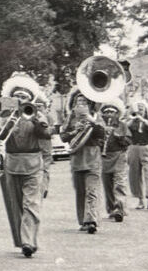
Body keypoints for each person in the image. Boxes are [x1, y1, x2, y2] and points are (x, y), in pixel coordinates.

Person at [0, 75, 48, 257]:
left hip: (32, 163)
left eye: (24, 97)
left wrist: (36, 120)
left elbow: (46, 134)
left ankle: (28, 241)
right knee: (16, 204)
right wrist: (8, 122)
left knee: (30, 204)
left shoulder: (36, 114)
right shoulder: (6, 117)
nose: (21, 100)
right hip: (12, 164)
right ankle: (23, 240)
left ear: (30, 99)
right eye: (17, 96)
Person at [61, 90, 106, 234]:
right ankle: (83, 220)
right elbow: (63, 137)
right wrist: (74, 131)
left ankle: (91, 220)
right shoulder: (70, 118)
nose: (81, 104)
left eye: (84, 102)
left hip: (92, 157)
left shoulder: (96, 116)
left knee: (92, 191)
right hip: (77, 158)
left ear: (90, 104)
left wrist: (91, 121)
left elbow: (103, 134)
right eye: (78, 102)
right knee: (80, 192)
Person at [99, 100, 133, 223]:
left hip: (119, 155)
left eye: (112, 112)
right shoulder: (100, 125)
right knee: (107, 183)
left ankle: (120, 208)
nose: (109, 114)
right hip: (104, 157)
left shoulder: (122, 125)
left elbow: (129, 141)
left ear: (117, 114)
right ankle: (111, 208)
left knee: (119, 182)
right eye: (106, 112)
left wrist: (119, 136)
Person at [126, 100, 148, 210]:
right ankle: (139, 200)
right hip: (133, 147)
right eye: (138, 108)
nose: (140, 110)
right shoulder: (132, 120)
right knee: (134, 175)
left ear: (146, 109)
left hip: (146, 147)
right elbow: (125, 128)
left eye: (142, 108)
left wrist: (142, 120)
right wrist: (132, 119)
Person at [34, 95, 54, 199]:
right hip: (36, 144)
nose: (38, 109)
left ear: (45, 108)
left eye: (40, 106)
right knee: (37, 167)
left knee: (45, 167)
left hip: (45, 144)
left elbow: (51, 131)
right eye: (36, 106)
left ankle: (44, 187)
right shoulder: (32, 116)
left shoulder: (48, 117)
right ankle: (38, 187)